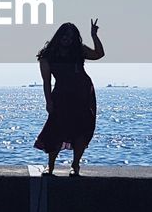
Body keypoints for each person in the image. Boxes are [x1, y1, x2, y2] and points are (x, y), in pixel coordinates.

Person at [33, 18, 104, 175]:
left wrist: (94, 35)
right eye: (65, 36)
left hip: (83, 93)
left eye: (71, 37)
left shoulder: (78, 50)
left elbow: (99, 54)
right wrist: (48, 102)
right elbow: (46, 82)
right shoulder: (48, 55)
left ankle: (75, 165)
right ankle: (50, 166)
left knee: (81, 130)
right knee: (56, 129)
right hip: (62, 95)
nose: (68, 39)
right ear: (59, 36)